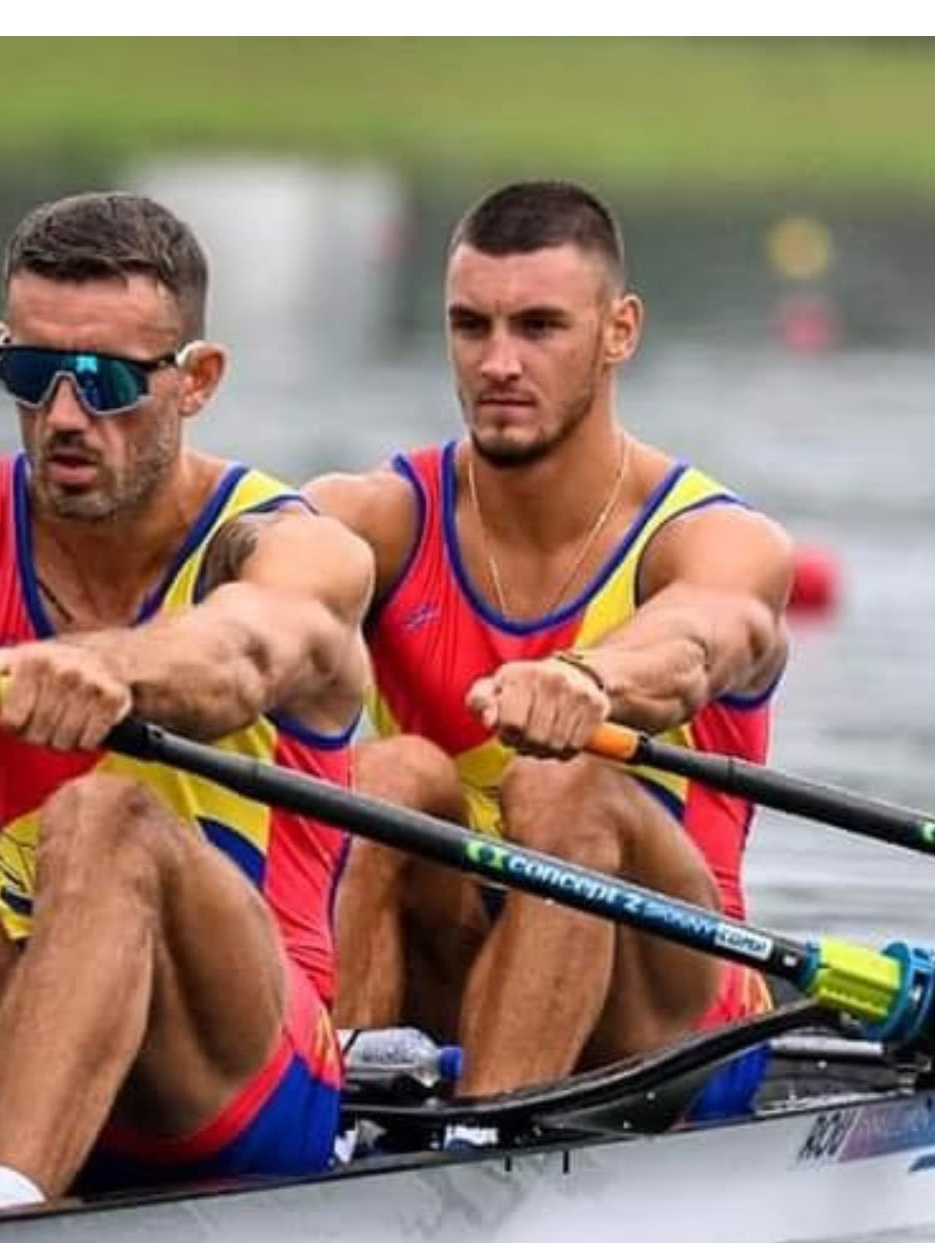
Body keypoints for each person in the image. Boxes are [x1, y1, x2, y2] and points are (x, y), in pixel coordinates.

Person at [0, 192, 375, 1210]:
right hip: (8, 1037)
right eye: (31, 374)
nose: (64, 418)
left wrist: (114, 667)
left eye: (106, 382)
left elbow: (244, 653)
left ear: (198, 381)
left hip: (244, 1081)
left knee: (103, 816)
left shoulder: (291, 546)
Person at [307, 180, 795, 1098]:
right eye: (470, 326)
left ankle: (486, 1130)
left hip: (675, 1012)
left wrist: (588, 680)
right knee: (393, 776)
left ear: (619, 332)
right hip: (460, 963)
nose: (497, 363)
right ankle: (338, 1103)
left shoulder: (717, 539)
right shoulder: (373, 516)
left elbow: (695, 644)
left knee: (562, 780)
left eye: (538, 327)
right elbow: (256, 590)